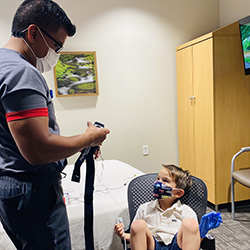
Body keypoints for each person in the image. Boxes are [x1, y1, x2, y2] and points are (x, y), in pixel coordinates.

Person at [0, 0, 110, 249]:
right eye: (56, 46)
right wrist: (90, 137)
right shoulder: (21, 73)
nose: (56, 55)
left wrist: (80, 142)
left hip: (11, 186)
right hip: (33, 190)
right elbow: (39, 150)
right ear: (33, 32)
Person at [115, 164, 215, 250]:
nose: (158, 183)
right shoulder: (145, 209)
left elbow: (194, 241)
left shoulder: (186, 211)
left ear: (178, 193)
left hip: (178, 244)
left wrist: (201, 232)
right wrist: (123, 235)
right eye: (158, 178)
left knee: (190, 223)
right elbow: (136, 236)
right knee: (138, 225)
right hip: (152, 244)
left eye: (165, 180)